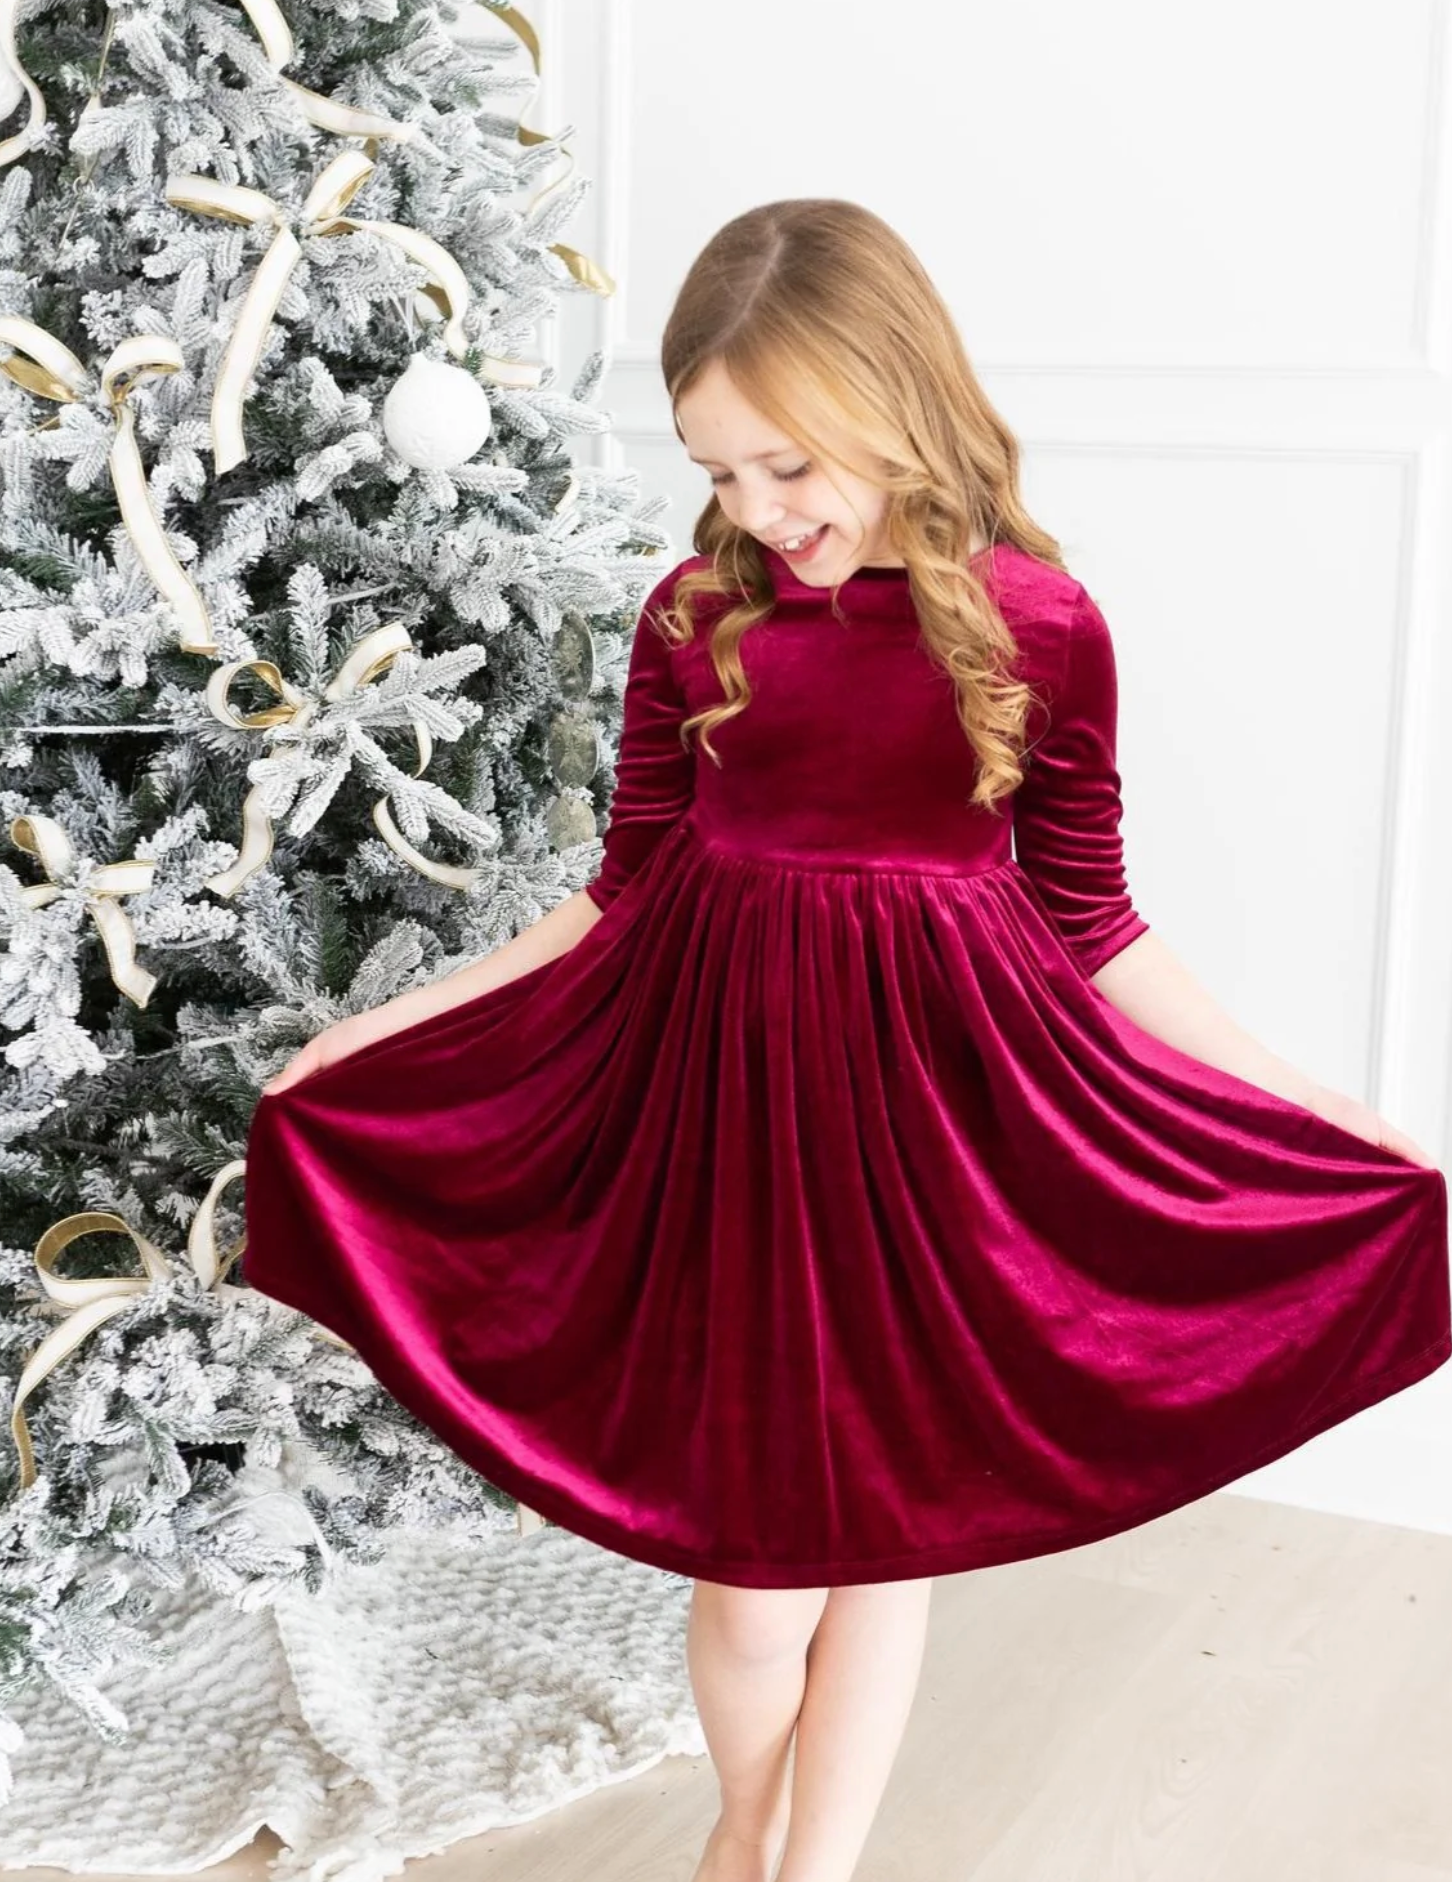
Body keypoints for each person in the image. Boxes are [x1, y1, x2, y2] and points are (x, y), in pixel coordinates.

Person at [243, 199, 1452, 1882]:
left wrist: (1311, 1099)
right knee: (758, 1586)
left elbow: (1097, 922)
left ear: (892, 402)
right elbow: (618, 888)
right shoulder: (693, 616)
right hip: (732, 1113)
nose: (757, 509)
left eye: (787, 465)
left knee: (889, 1542)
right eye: (719, 471)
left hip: (937, 1121)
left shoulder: (1039, 624)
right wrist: (389, 1027)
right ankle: (748, 1823)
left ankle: (814, 1867)